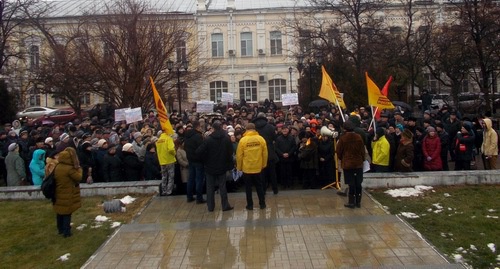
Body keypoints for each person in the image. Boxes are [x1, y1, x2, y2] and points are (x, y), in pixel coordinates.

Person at [196, 121, 234, 212]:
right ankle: (225, 205)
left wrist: (205, 159)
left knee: (210, 187)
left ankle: (210, 206)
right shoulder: (226, 138)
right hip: (222, 166)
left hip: (210, 167)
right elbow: (230, 152)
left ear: (213, 128)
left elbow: (198, 151)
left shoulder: (208, 139)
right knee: (222, 186)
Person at [236, 123, 268, 210]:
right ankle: (262, 203)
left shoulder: (243, 140)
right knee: (259, 186)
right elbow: (265, 154)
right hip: (258, 167)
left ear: (246, 130)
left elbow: (239, 155)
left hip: (247, 168)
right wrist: (264, 164)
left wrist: (239, 167)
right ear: (255, 129)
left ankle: (250, 205)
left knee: (248, 188)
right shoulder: (261, 139)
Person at [53, 147, 82, 238]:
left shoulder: (57, 166)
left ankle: (60, 229)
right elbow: (78, 177)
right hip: (68, 192)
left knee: (60, 211)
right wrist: (79, 169)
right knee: (67, 212)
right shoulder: (69, 169)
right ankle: (67, 232)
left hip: (58, 191)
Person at [336, 121, 365, 209]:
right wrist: (362, 159)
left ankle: (351, 202)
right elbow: (362, 150)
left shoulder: (343, 138)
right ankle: (358, 202)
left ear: (344, 128)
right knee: (358, 182)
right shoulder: (358, 137)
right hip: (358, 163)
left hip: (348, 163)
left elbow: (339, 151)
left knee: (351, 183)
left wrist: (342, 158)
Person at [253, 112, 278, 194]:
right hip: (270, 151)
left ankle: (263, 190)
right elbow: (275, 138)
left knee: (262, 173)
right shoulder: (270, 127)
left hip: (259, 152)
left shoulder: (255, 128)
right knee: (272, 172)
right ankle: (275, 189)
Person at [184, 120, 206, 203]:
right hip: (198, 161)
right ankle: (199, 198)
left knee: (191, 178)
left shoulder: (188, 135)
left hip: (190, 160)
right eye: (201, 126)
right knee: (199, 179)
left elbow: (185, 147)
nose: (202, 128)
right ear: (198, 127)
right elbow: (201, 149)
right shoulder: (198, 136)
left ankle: (189, 196)